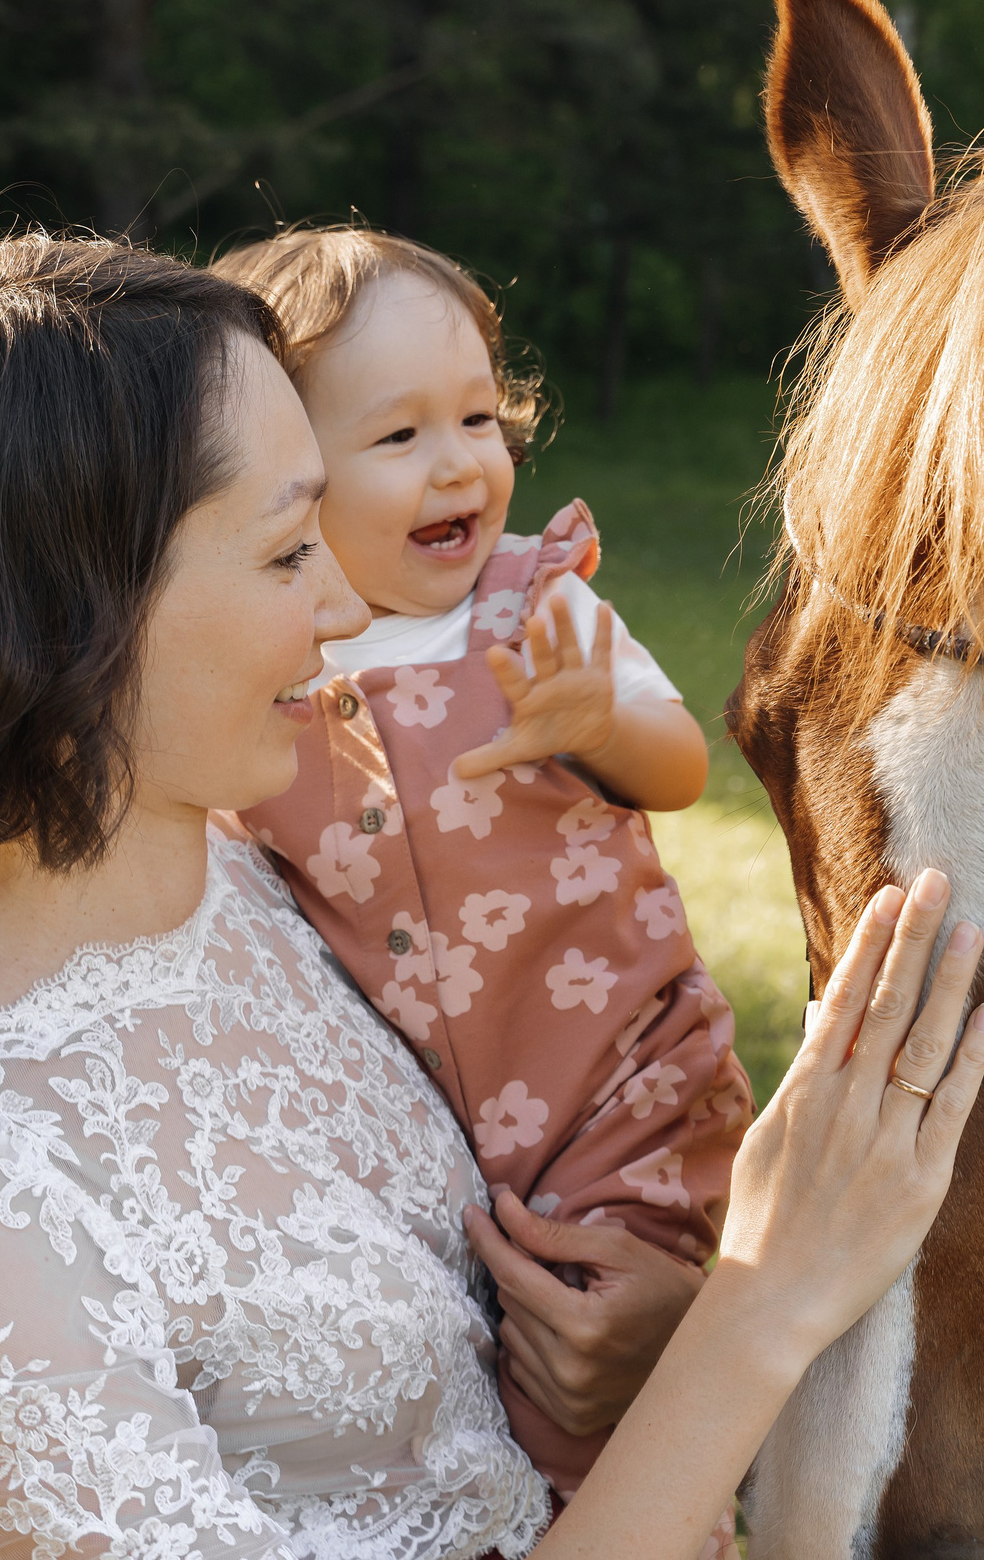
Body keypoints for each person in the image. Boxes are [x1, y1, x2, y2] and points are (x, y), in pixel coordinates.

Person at [0, 233, 984, 1560]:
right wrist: (764, 1299)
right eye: (289, 551)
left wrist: (657, 1335)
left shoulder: (268, 882)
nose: (350, 606)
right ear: (58, 623)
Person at [206, 227, 745, 1514]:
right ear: (280, 470)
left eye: (478, 418)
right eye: (396, 439)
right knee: (450, 1411)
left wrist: (597, 723)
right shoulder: (266, 655)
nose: (458, 463)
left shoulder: (533, 609)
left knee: (599, 1398)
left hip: (615, 1082)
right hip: (408, 1132)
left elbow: (679, 769)